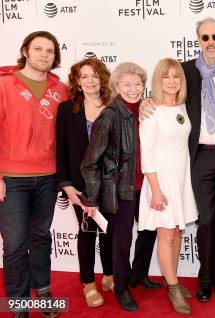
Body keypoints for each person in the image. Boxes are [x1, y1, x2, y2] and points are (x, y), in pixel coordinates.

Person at [140, 17, 215, 301]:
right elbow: (165, 96)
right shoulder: (185, 72)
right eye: (205, 37)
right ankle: (205, 277)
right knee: (206, 220)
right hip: (198, 159)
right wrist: (145, 102)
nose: (211, 42)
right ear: (198, 40)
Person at [0, 30, 67, 318]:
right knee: (14, 244)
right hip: (12, 178)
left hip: (49, 176)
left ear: (55, 56)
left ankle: (43, 292)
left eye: (50, 51)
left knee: (41, 237)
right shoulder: (3, 85)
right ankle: (18, 302)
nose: (44, 55)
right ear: (26, 51)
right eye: (38, 49)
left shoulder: (61, 89)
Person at [80, 62, 147, 312]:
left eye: (138, 84)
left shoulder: (146, 109)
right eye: (127, 84)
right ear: (116, 86)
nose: (133, 89)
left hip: (147, 186)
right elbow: (89, 163)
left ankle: (137, 275)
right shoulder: (109, 116)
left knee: (149, 232)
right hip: (121, 190)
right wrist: (92, 197)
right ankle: (120, 287)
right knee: (122, 241)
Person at [138, 58, 199, 314]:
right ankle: (174, 288)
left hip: (182, 178)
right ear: (158, 80)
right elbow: (147, 153)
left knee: (177, 232)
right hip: (161, 180)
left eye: (176, 76)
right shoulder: (151, 111)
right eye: (166, 77)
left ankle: (169, 279)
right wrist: (155, 189)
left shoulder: (184, 107)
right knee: (165, 235)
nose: (172, 81)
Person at [55, 58, 113, 308]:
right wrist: (66, 183)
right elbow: (61, 149)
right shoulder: (68, 109)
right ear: (77, 81)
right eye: (84, 76)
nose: (90, 81)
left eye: (95, 76)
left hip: (110, 183)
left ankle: (110, 274)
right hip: (81, 186)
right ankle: (88, 283)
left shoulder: (114, 106)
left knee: (109, 232)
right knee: (88, 231)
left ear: (102, 79)